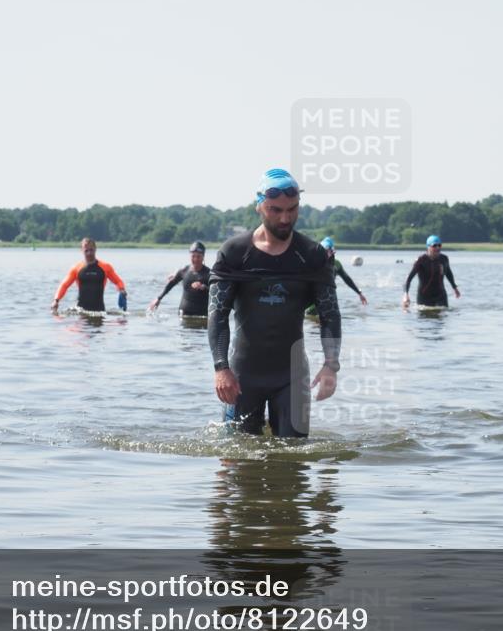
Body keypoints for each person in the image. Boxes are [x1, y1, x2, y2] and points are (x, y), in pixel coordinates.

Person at [208, 168, 341, 438]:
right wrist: (221, 368)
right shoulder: (234, 253)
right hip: (243, 376)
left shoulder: (312, 255)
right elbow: (217, 315)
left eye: (292, 209)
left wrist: (331, 364)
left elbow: (330, 315)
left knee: (294, 461)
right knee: (236, 463)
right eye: (275, 210)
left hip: (291, 377)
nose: (285, 218)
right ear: (259, 206)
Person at [51, 238, 127, 312]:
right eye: (86, 251)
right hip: (80, 311)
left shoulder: (105, 267)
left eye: (91, 250)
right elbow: (64, 285)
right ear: (82, 251)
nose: (89, 253)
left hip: (100, 311)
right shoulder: (76, 268)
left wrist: (122, 289)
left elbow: (118, 281)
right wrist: (56, 300)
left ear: (95, 249)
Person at [305, 237, 367, 315]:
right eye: (322, 250)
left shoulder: (336, 264)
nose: (324, 253)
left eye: (326, 250)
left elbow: (346, 279)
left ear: (332, 251)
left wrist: (359, 293)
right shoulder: (313, 261)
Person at [148, 241, 211, 316]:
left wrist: (203, 287)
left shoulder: (209, 273)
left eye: (198, 256)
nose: (196, 259)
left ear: (203, 257)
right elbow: (170, 284)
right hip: (183, 315)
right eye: (193, 256)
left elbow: (215, 292)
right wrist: (158, 298)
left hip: (202, 315)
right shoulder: (184, 271)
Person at [402, 235, 461, 308]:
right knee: (425, 316)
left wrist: (454, 288)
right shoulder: (421, 260)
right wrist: (406, 294)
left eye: (439, 245)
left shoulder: (444, 259)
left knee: (443, 315)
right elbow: (408, 278)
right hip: (424, 296)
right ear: (428, 247)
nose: (437, 248)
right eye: (434, 246)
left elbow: (448, 273)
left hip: (441, 296)